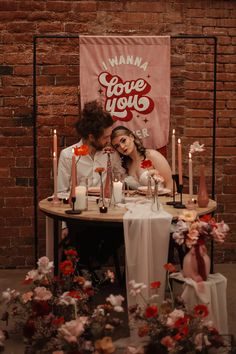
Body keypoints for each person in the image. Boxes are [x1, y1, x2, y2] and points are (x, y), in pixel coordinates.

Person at [57, 101, 125, 273]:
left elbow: (120, 180)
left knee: (124, 229)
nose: (109, 141)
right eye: (105, 137)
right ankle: (88, 269)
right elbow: (62, 192)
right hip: (80, 217)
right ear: (91, 137)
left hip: (106, 216)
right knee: (79, 233)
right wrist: (64, 226)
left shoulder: (111, 154)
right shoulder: (68, 155)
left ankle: (91, 266)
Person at [111, 126, 172, 191]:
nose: (122, 147)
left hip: (160, 199)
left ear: (132, 137)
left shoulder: (152, 155)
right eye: (117, 146)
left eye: (123, 141)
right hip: (138, 200)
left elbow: (171, 185)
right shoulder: (126, 164)